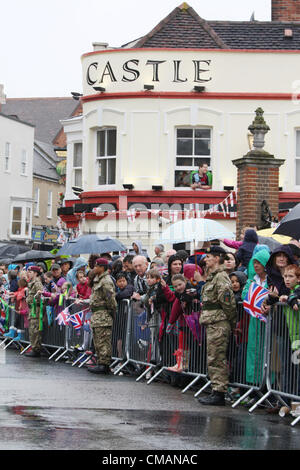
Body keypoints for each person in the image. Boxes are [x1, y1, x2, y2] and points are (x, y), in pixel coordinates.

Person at [197, 246, 237, 406]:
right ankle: (216, 389)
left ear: (216, 258)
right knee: (213, 357)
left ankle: (219, 392)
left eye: (208, 257)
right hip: (212, 321)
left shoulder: (221, 277)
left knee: (217, 358)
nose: (205, 259)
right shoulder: (212, 277)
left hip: (219, 322)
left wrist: (231, 321)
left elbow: (227, 302)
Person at [87, 258, 117, 374]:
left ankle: (104, 364)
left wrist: (111, 311)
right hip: (97, 314)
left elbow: (110, 298)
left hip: (103, 314)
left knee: (103, 341)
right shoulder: (97, 280)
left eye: (96, 266)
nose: (94, 268)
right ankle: (100, 361)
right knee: (98, 340)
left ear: (102, 267)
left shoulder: (106, 281)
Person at [24, 266, 44, 358]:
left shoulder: (37, 283)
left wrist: (34, 301)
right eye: (28, 271)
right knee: (32, 330)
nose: (29, 273)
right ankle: (34, 347)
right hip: (32, 309)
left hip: (36, 309)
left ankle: (36, 349)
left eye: (31, 272)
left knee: (35, 330)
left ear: (36, 273)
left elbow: (41, 297)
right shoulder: (31, 283)